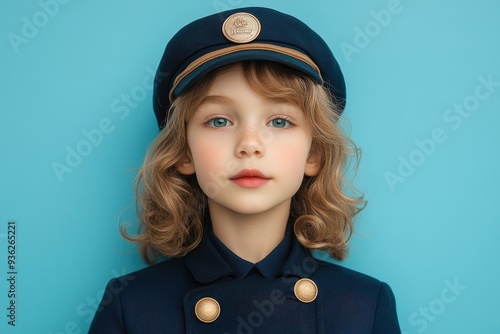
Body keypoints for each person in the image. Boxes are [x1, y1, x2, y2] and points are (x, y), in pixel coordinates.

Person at [89, 6, 401, 333]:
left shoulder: (365, 305)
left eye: (280, 121)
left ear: (315, 154)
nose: (249, 144)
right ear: (184, 152)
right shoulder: (132, 305)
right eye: (219, 121)